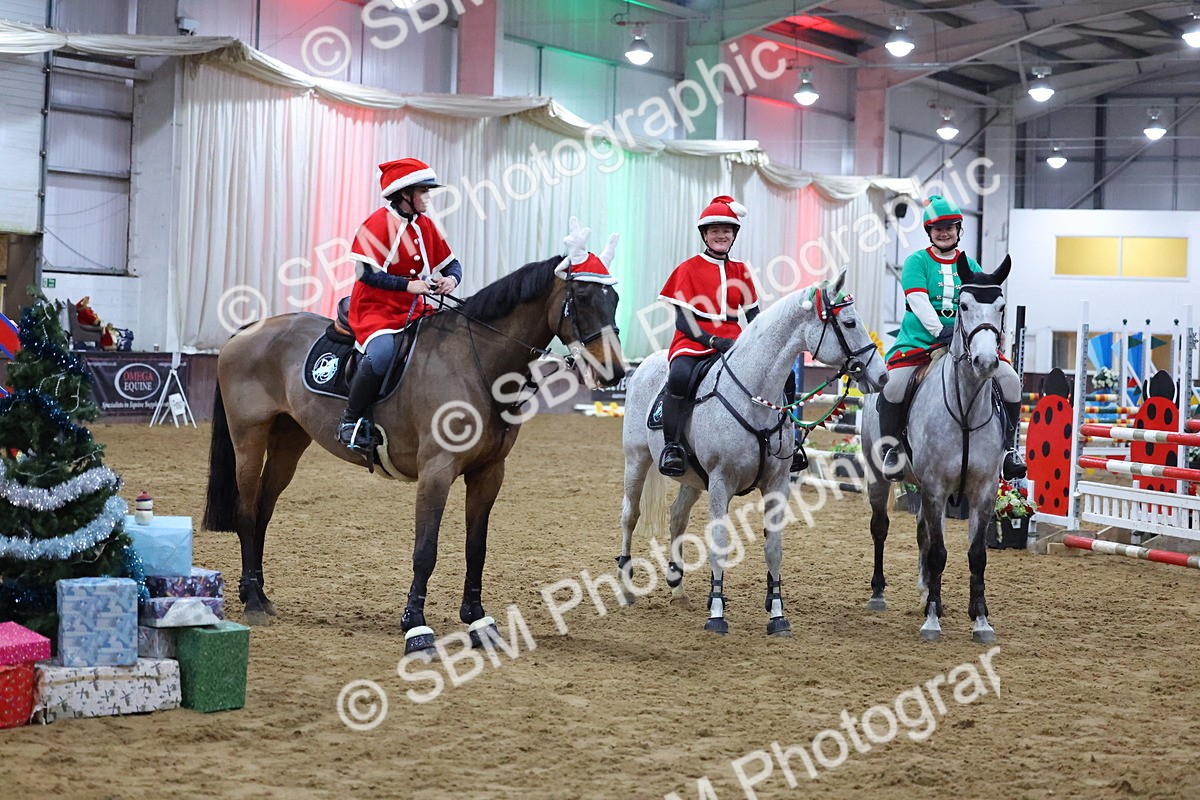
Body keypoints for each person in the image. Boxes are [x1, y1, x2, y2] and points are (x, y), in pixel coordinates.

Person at [877, 195, 1026, 481]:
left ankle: (1008, 450)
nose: (944, 232)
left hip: (968, 343)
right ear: (929, 233)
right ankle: (892, 449)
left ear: (959, 230)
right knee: (893, 386)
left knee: (1010, 380)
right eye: (937, 228)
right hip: (921, 341)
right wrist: (939, 331)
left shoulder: (970, 263)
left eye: (950, 227)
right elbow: (918, 301)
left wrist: (995, 335)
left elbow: (985, 305)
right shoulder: (916, 262)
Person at [658, 195, 802, 477]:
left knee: (785, 375)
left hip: (735, 343)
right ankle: (672, 446)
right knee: (679, 376)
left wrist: (766, 346)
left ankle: (788, 441)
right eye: (715, 230)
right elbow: (683, 321)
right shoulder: (688, 269)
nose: (721, 235)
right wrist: (712, 341)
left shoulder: (741, 270)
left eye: (727, 230)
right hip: (693, 343)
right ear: (705, 234)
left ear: (734, 234)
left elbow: (754, 318)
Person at [338, 158, 463, 453]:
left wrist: (451, 281)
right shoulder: (377, 223)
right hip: (376, 310)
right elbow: (364, 273)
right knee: (381, 354)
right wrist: (407, 285)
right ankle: (349, 421)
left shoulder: (426, 225)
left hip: (415, 307)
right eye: (424, 191)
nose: (429, 198)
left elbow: (452, 263)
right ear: (405, 194)